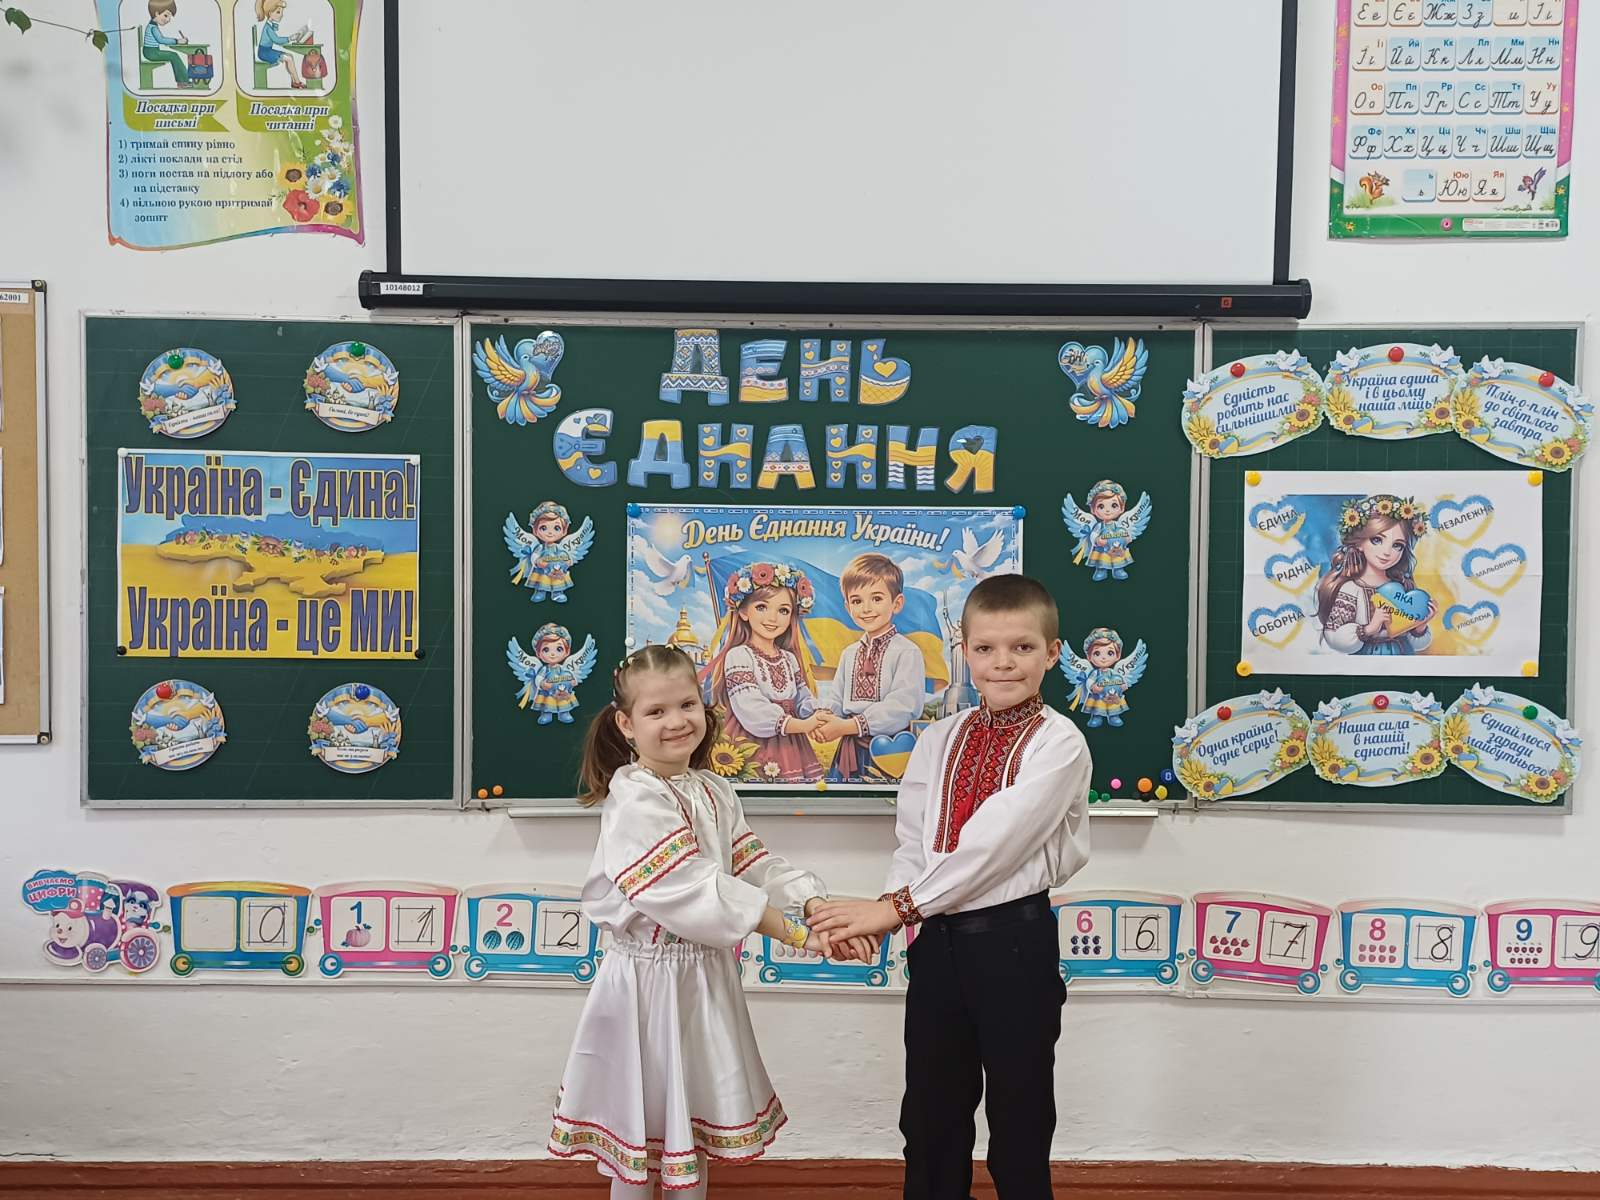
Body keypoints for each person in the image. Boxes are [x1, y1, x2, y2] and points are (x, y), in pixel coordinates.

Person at [549, 644, 876, 1197]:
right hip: (647, 984)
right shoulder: (634, 797)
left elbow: (750, 862)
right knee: (641, 1136)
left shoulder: (712, 788)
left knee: (691, 1128)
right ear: (626, 724)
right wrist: (798, 934)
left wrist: (814, 905)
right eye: (656, 711)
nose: (676, 721)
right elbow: (689, 887)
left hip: (702, 978)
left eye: (687, 705)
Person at [811, 574, 1092, 1200]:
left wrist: (892, 909)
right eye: (986, 648)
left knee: (1020, 1117)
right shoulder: (939, 738)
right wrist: (886, 919)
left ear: (1052, 654)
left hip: (1013, 941)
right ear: (964, 651)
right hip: (935, 942)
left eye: (1022, 647)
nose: (1003, 663)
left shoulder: (1060, 744)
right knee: (931, 1116)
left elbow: (994, 848)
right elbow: (913, 843)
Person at [702, 562, 825, 783]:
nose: (772, 618)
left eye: (783, 610)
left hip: (792, 745)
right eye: (761, 607)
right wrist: (801, 725)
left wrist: (817, 714)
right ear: (743, 611)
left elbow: (802, 697)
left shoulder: (789, 658)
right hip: (754, 742)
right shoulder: (739, 655)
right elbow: (751, 708)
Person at [814, 553, 924, 782]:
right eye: (857, 601)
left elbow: (903, 706)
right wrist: (824, 718)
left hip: (889, 749)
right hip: (850, 748)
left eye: (876, 598)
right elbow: (837, 698)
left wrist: (850, 725)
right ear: (847, 607)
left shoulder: (907, 651)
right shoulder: (849, 653)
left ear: (897, 603)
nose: (866, 608)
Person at [1314, 493, 1436, 655]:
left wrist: (1419, 628)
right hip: (1366, 658)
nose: (1387, 552)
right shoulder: (1351, 589)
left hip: (1403, 655)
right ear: (1359, 543)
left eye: (1397, 545)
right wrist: (1369, 629)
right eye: (1377, 540)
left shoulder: (1403, 586)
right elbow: (1334, 638)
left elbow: (1418, 644)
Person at [256, 0, 305, 89]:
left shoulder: (269, 26)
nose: (281, 15)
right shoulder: (268, 28)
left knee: (289, 56)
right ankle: (297, 82)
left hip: (267, 50)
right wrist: (290, 38)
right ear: (270, 13)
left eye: (281, 12)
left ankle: (294, 81)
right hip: (264, 52)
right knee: (289, 58)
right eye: (278, 12)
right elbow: (277, 40)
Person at [142, 0, 190, 88]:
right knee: (174, 56)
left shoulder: (152, 25)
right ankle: (183, 82)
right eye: (166, 15)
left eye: (169, 17)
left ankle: (183, 81)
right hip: (151, 53)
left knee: (173, 55)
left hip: (151, 51)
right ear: (157, 13)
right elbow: (161, 40)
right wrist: (177, 41)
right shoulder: (153, 28)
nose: (168, 20)